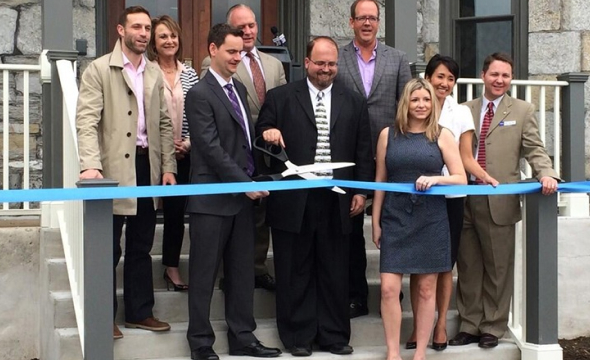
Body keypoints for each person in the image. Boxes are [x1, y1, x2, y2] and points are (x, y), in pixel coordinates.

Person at [256, 36, 374, 357]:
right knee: (295, 270)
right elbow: (262, 133)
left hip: (337, 199)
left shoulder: (353, 101)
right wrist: (270, 134)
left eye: (331, 63)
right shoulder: (280, 98)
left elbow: (363, 151)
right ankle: (298, 337)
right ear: (306, 63)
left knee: (335, 270)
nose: (326, 69)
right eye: (319, 63)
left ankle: (334, 335)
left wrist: (361, 191)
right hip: (293, 200)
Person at [76, 6, 176, 340]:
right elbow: (87, 120)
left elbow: (163, 123)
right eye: (137, 27)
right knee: (109, 247)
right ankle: (103, 316)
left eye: (147, 28)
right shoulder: (99, 69)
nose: (144, 33)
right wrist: (91, 164)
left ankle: (140, 312)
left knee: (141, 244)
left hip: (147, 166)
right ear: (121, 30)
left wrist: (168, 167)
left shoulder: (153, 73)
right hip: (112, 169)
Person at [449, 52, 559, 349]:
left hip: (499, 200)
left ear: (510, 79)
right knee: (468, 266)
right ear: (483, 75)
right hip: (464, 197)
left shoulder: (523, 110)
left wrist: (546, 173)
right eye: (494, 74)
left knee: (498, 268)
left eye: (505, 76)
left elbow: (535, 148)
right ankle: (469, 324)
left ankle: (492, 326)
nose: (499, 80)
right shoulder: (462, 109)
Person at [184, 23, 281, 360]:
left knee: (241, 275)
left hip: (242, 200)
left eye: (240, 51)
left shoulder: (239, 90)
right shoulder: (198, 94)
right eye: (230, 51)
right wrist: (244, 182)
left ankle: (243, 339)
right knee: (203, 275)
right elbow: (210, 148)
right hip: (211, 200)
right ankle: (200, 344)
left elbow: (245, 142)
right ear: (212, 50)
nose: (237, 57)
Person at [404, 55, 499, 351]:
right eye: (440, 76)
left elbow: (466, 158)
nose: (444, 83)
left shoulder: (460, 115)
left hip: (452, 197)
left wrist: (486, 178)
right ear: (428, 76)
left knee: (445, 266)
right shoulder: (415, 106)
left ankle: (441, 323)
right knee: (419, 265)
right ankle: (419, 328)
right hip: (419, 196)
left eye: (450, 79)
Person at [372, 78, 467, 360]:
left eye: (426, 99)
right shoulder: (388, 135)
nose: (421, 105)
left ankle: (421, 353)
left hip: (431, 219)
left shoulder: (442, 135)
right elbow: (380, 180)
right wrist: (376, 222)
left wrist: (435, 179)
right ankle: (392, 352)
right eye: (415, 100)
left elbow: (461, 178)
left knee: (427, 289)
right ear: (406, 103)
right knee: (389, 289)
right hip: (395, 217)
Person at [201, 4, 287, 291]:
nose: (248, 31)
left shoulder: (273, 64)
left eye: (251, 25)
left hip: (268, 152)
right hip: (234, 152)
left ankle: (258, 268)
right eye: (240, 28)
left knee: (262, 213)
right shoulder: (213, 62)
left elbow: (282, 103)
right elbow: (221, 105)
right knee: (235, 216)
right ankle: (232, 274)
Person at [336, 0, 412, 318]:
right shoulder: (336, 58)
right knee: (351, 230)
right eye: (361, 18)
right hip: (348, 154)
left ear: (378, 22)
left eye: (372, 18)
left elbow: (407, 106)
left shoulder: (397, 58)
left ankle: (392, 292)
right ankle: (356, 294)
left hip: (389, 154)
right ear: (351, 22)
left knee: (393, 224)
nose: (367, 23)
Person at [147, 15, 199, 291]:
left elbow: (200, 112)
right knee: (154, 212)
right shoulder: (146, 71)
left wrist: (189, 142)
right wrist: (166, 147)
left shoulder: (189, 73)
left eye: (173, 36)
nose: (169, 41)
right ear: (154, 42)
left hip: (187, 151)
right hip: (156, 153)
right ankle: (159, 267)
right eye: (163, 36)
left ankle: (172, 267)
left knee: (179, 212)